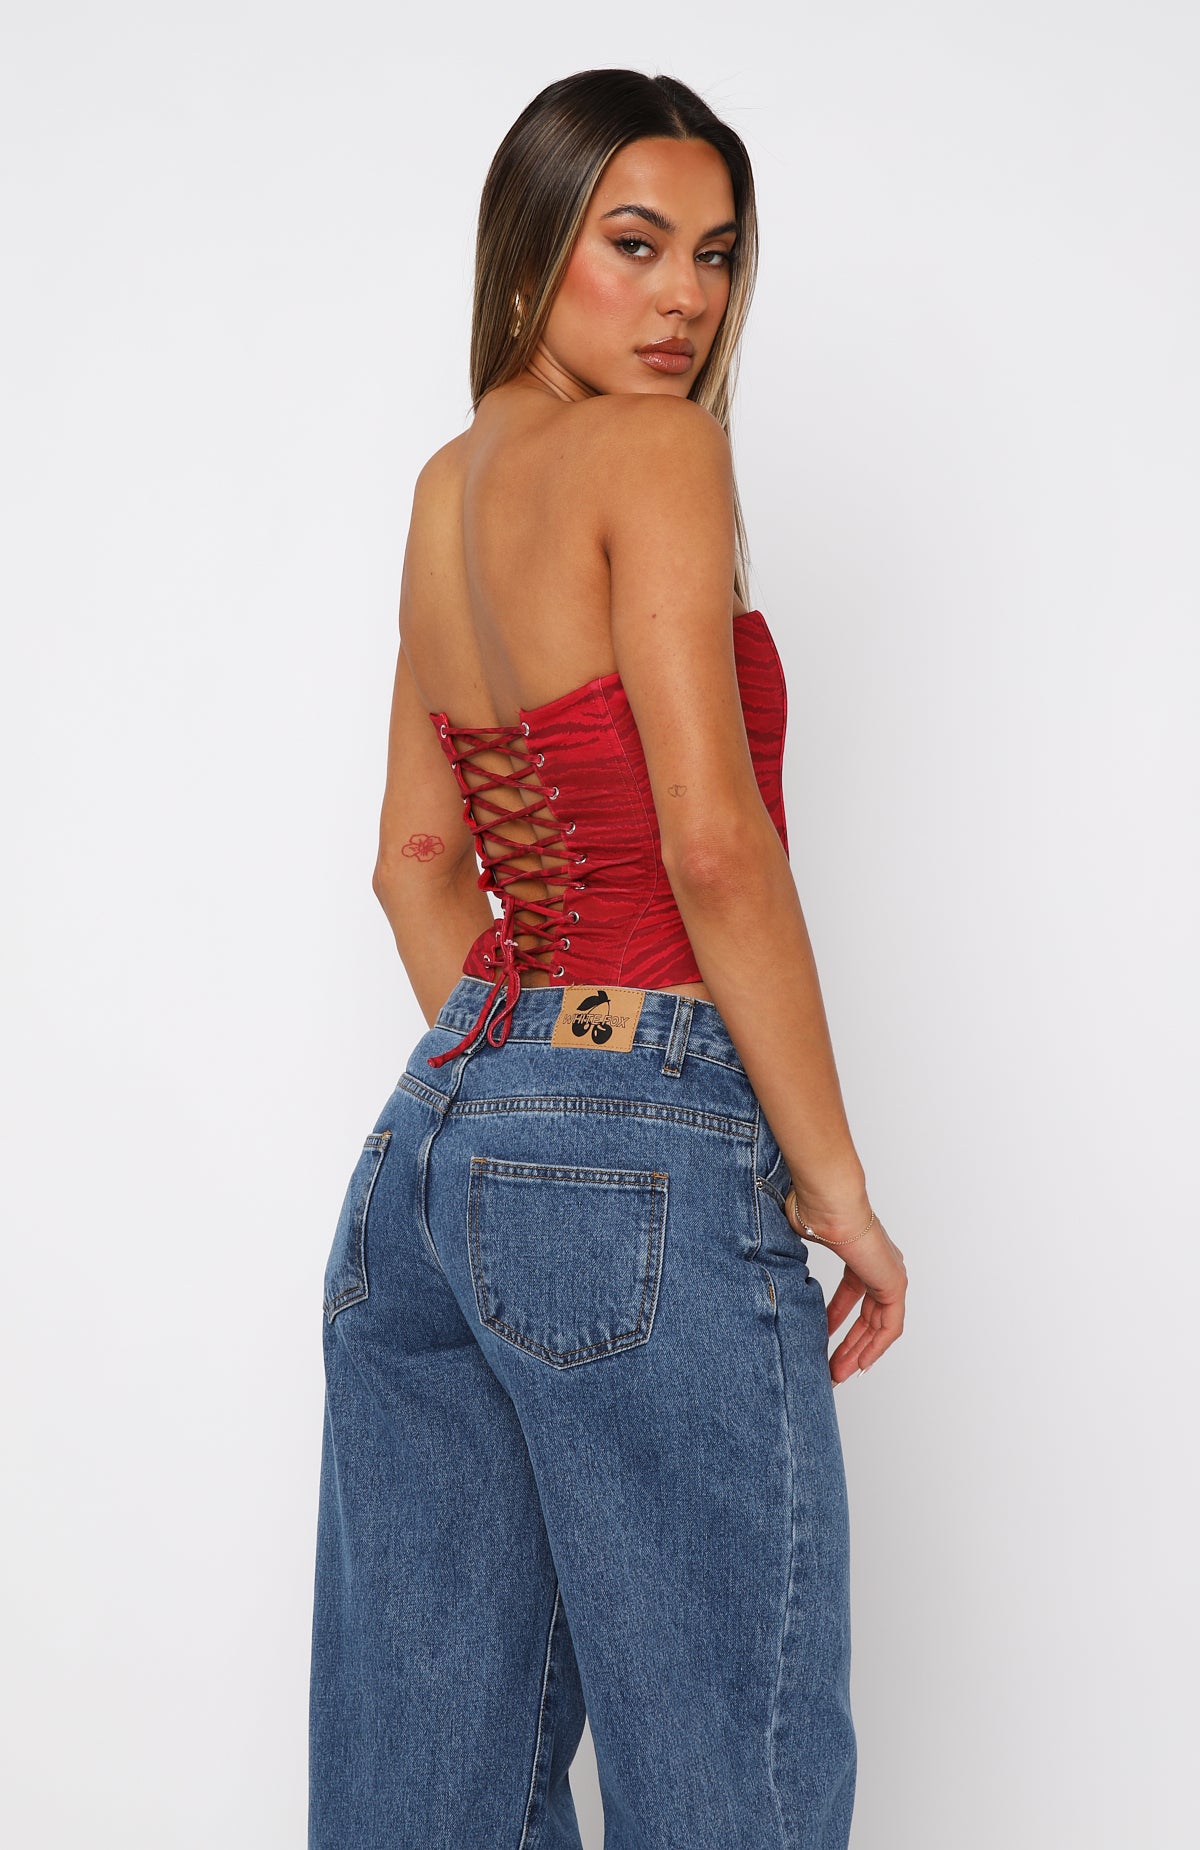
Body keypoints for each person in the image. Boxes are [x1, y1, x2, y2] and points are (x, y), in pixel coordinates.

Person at [308, 67, 908, 1850]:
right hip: (635, 1144)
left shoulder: (447, 491)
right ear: (530, 255)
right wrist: (833, 1185)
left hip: (430, 1149)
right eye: (634, 245)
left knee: (432, 1790)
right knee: (729, 1771)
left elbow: (417, 865)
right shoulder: (659, 452)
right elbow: (713, 846)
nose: (684, 299)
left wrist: (522, 1094)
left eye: (714, 255)